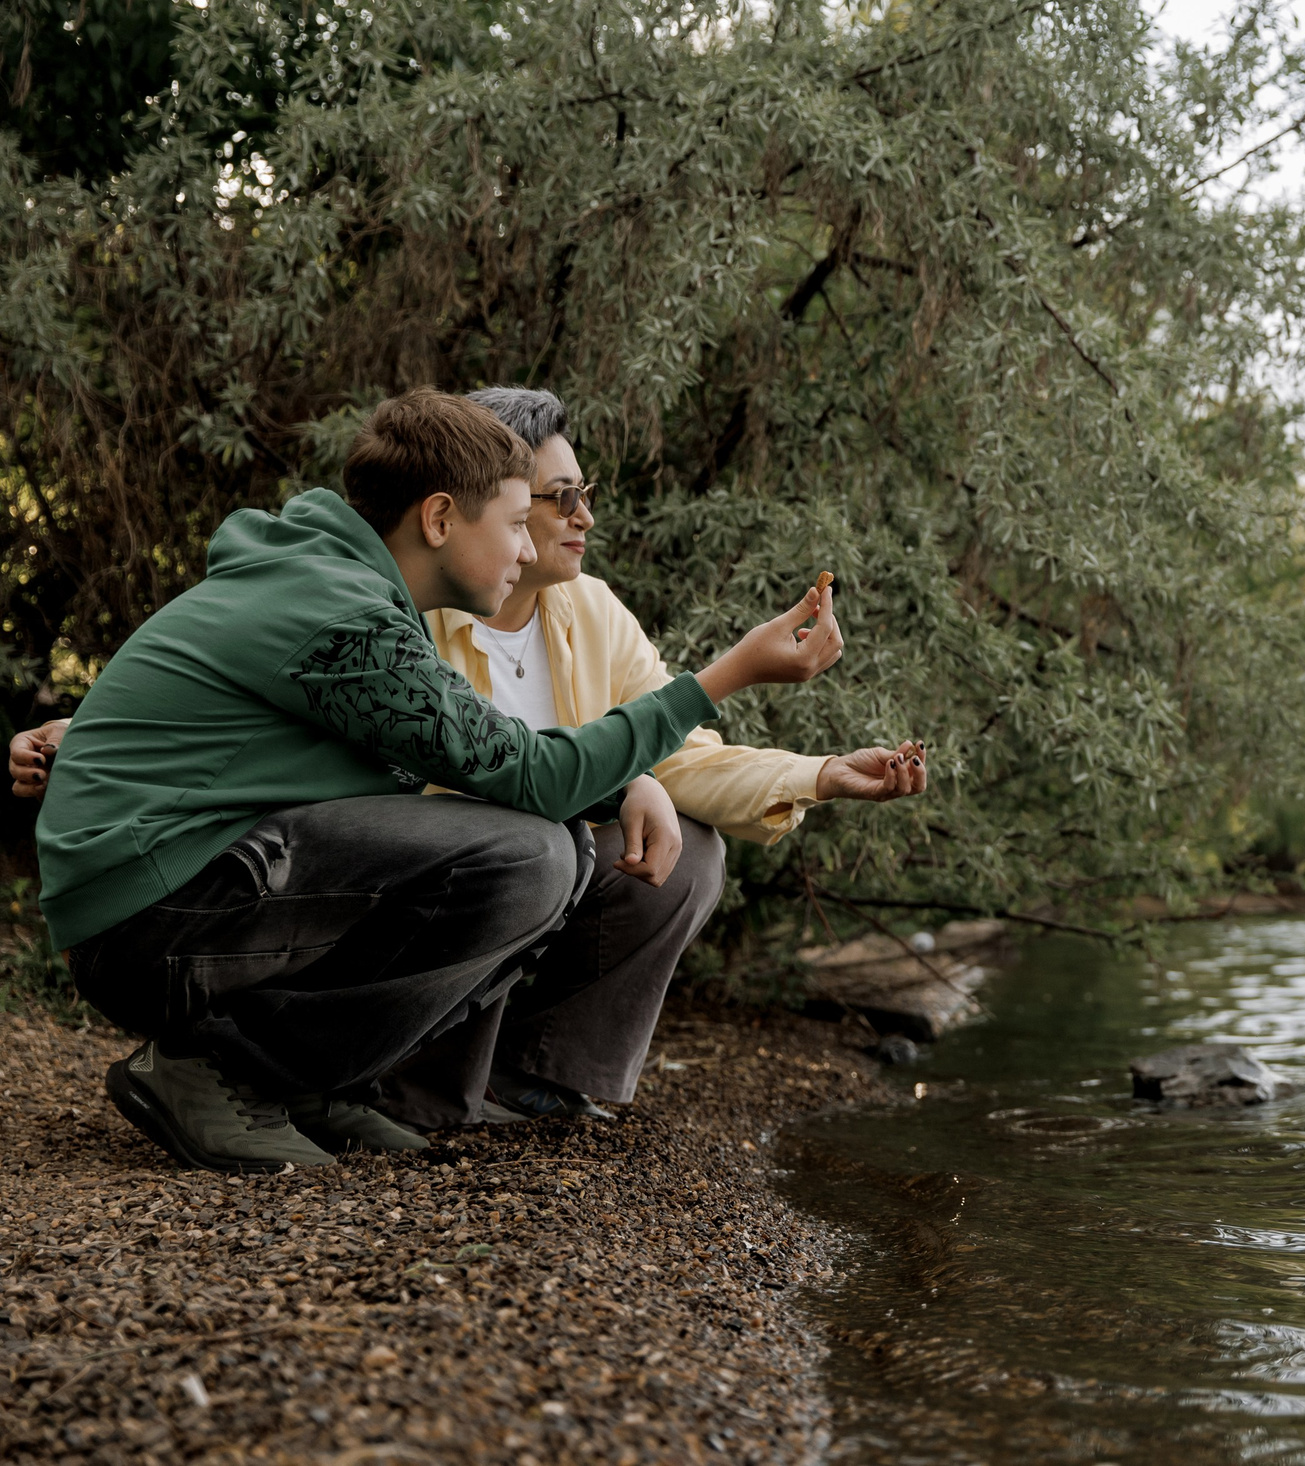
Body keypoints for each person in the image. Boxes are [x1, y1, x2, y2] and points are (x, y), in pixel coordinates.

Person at [11, 390, 846, 1173]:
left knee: (543, 847)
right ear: (441, 517)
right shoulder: (343, 616)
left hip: (174, 898)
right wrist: (727, 674)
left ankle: (311, 1085)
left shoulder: (350, 594)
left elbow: (470, 766)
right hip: (147, 928)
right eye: (519, 523)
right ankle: (222, 1074)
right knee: (531, 858)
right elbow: (526, 775)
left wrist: (627, 784)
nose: (528, 548)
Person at [389, 386, 925, 1127]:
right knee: (538, 843)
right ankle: (408, 1074)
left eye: (588, 493)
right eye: (561, 498)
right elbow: (463, 786)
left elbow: (679, 752)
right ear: (486, 501)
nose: (587, 516)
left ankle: (531, 1073)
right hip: (423, 902)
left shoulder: (591, 609)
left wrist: (820, 775)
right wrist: (618, 786)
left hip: (533, 871)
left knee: (690, 850)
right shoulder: (410, 614)